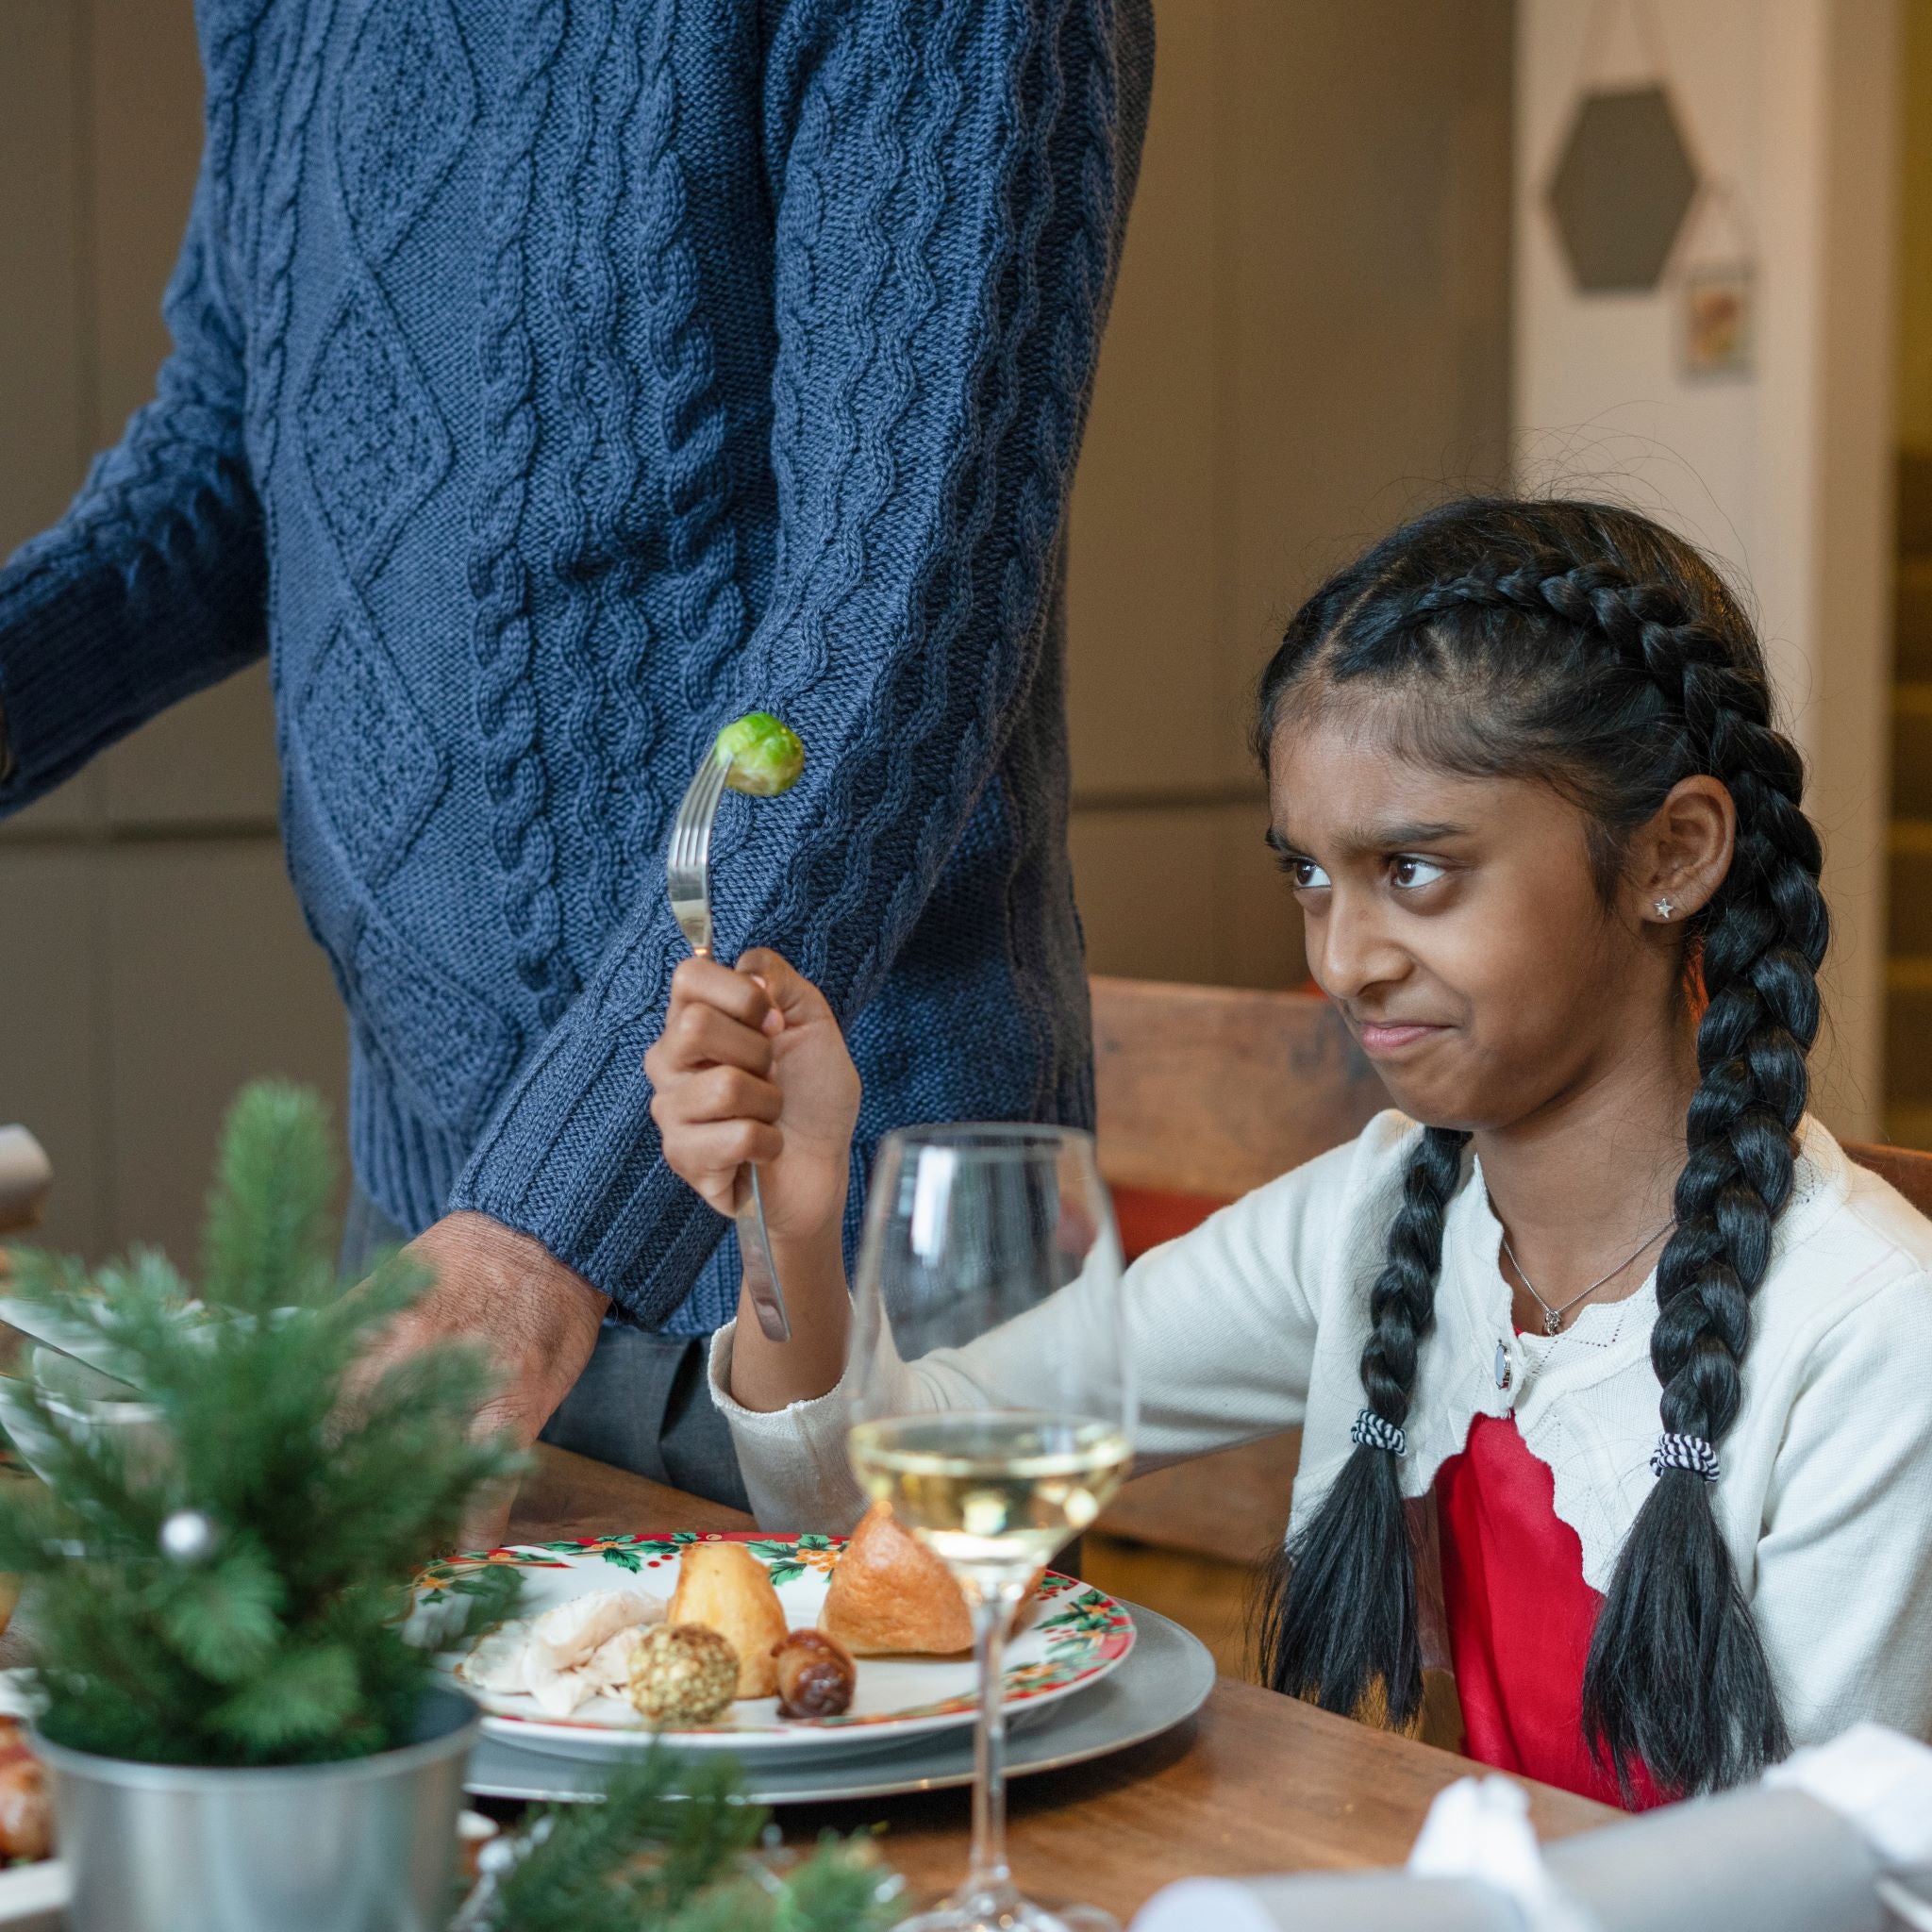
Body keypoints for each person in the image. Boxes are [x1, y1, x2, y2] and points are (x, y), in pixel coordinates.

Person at [0, 3, 1154, 1510]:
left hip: (827, 1254)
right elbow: (234, 464)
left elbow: (900, 610)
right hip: (429, 1246)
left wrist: (545, 1232)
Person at [646, 495, 1932, 1806]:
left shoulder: (1873, 1332)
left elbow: (1826, 1874)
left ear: (1675, 851)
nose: (1341, 960)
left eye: (1415, 869)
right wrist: (791, 1225)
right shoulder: (1378, 1212)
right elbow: (885, 1501)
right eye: (1309, 876)